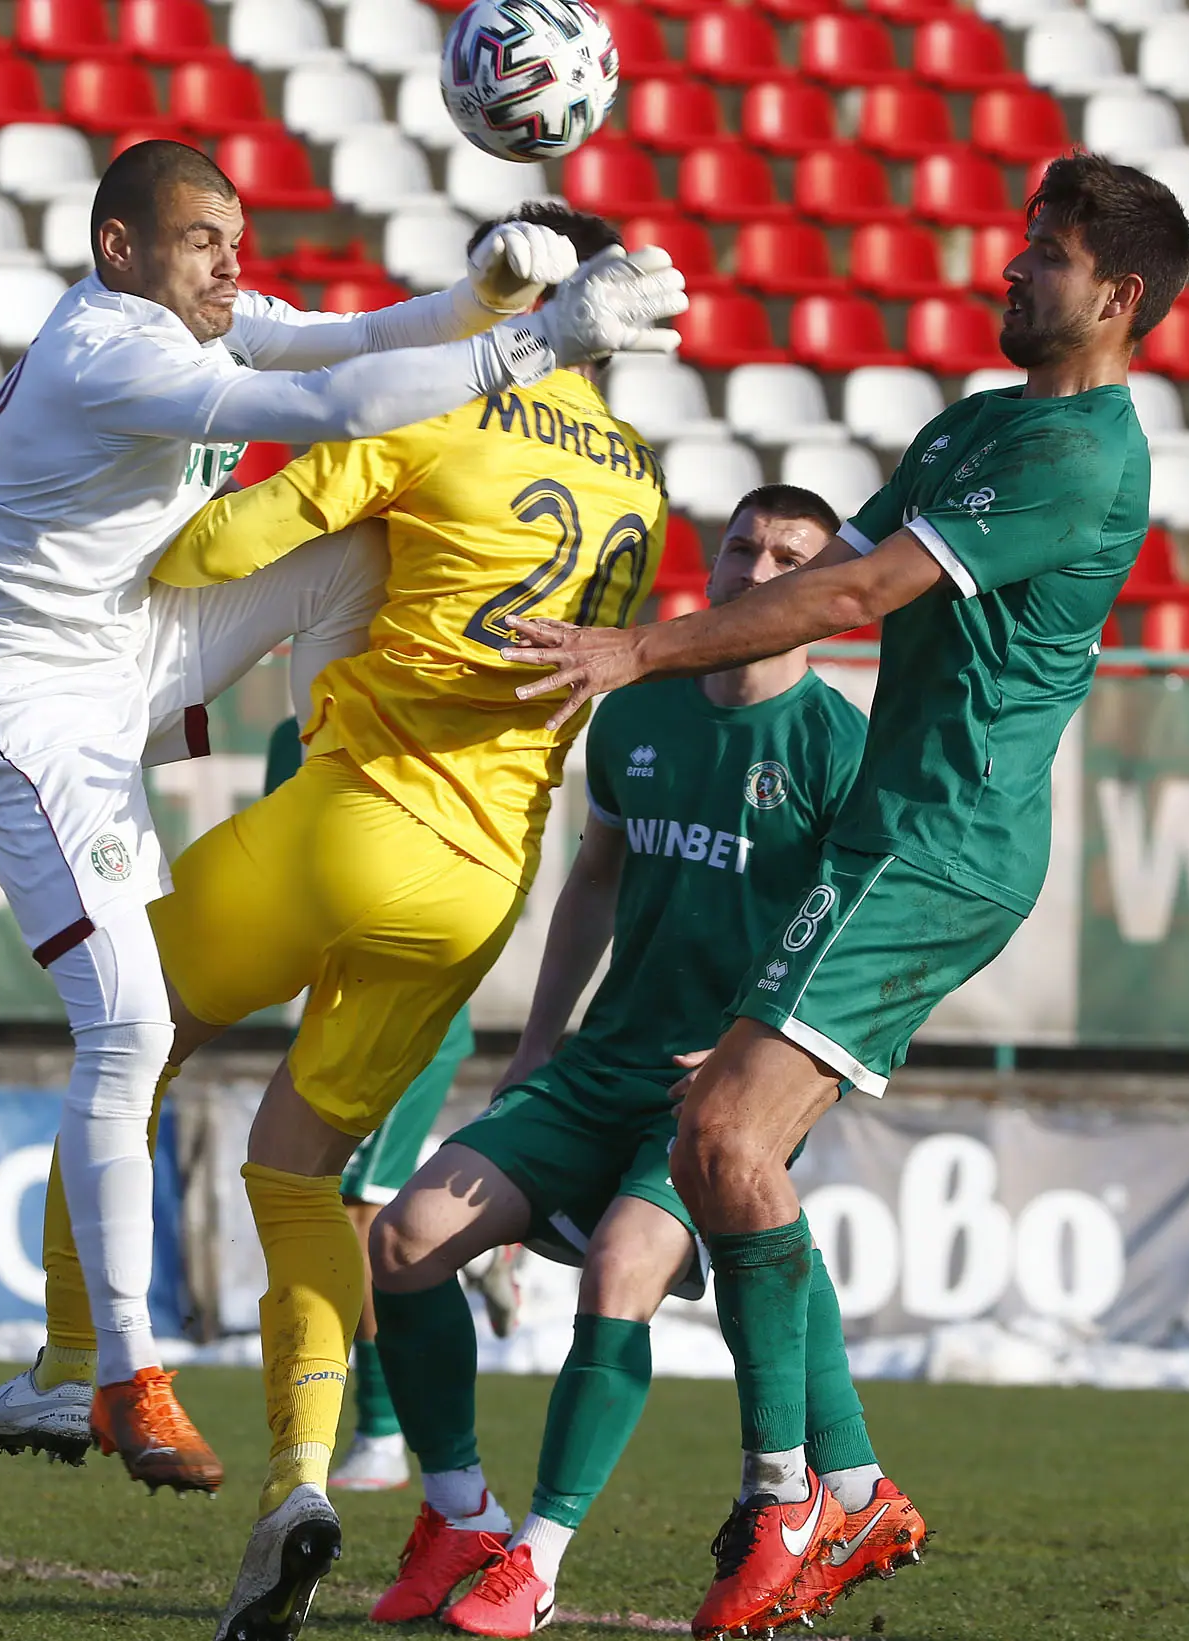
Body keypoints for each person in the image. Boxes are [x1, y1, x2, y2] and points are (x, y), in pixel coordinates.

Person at [0, 201, 679, 1641]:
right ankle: (299, 1479)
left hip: (352, 823)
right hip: (483, 886)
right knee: (301, 1172)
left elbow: (221, 548)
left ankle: (71, 1362)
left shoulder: (440, 417)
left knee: (130, 1041)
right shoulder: (643, 485)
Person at [500, 154, 1189, 1638]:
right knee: (720, 1145)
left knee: (718, 1136)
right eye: (1023, 242)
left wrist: (638, 650)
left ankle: (788, 1496)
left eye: (1048, 254)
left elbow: (857, 599)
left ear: (1118, 297)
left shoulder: (1083, 457)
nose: (1013, 267)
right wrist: (667, 646)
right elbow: (828, 569)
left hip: (944, 845)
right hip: (891, 833)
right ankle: (849, 1484)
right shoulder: (974, 427)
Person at [364, 486, 919, 1637]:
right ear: (711, 566)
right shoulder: (636, 713)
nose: (756, 569)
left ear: (826, 593)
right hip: (596, 1068)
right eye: (741, 547)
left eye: (790, 558)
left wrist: (754, 1043)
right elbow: (594, 884)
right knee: (404, 1241)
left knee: (621, 1268)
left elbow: (862, 932)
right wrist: (535, 1045)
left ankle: (536, 1560)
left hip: (716, 1092)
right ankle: (458, 1513)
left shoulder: (835, 746)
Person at [264, 716, 499, 1496]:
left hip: (405, 1018)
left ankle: (382, 1431)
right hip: (335, 1013)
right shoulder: (291, 734)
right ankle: (487, 1243)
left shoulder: (413, 721)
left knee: (353, 1211)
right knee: (314, 1199)